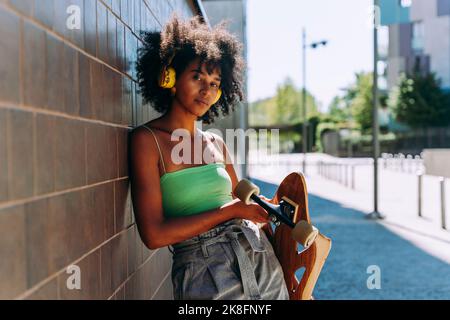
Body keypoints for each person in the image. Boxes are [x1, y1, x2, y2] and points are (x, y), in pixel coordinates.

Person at [129, 14, 289, 300]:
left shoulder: (216, 142)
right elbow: (154, 235)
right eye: (197, 77)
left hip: (258, 256)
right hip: (203, 270)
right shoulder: (147, 141)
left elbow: (239, 204)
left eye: (215, 83)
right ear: (171, 78)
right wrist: (232, 211)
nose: (207, 90)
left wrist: (264, 211)